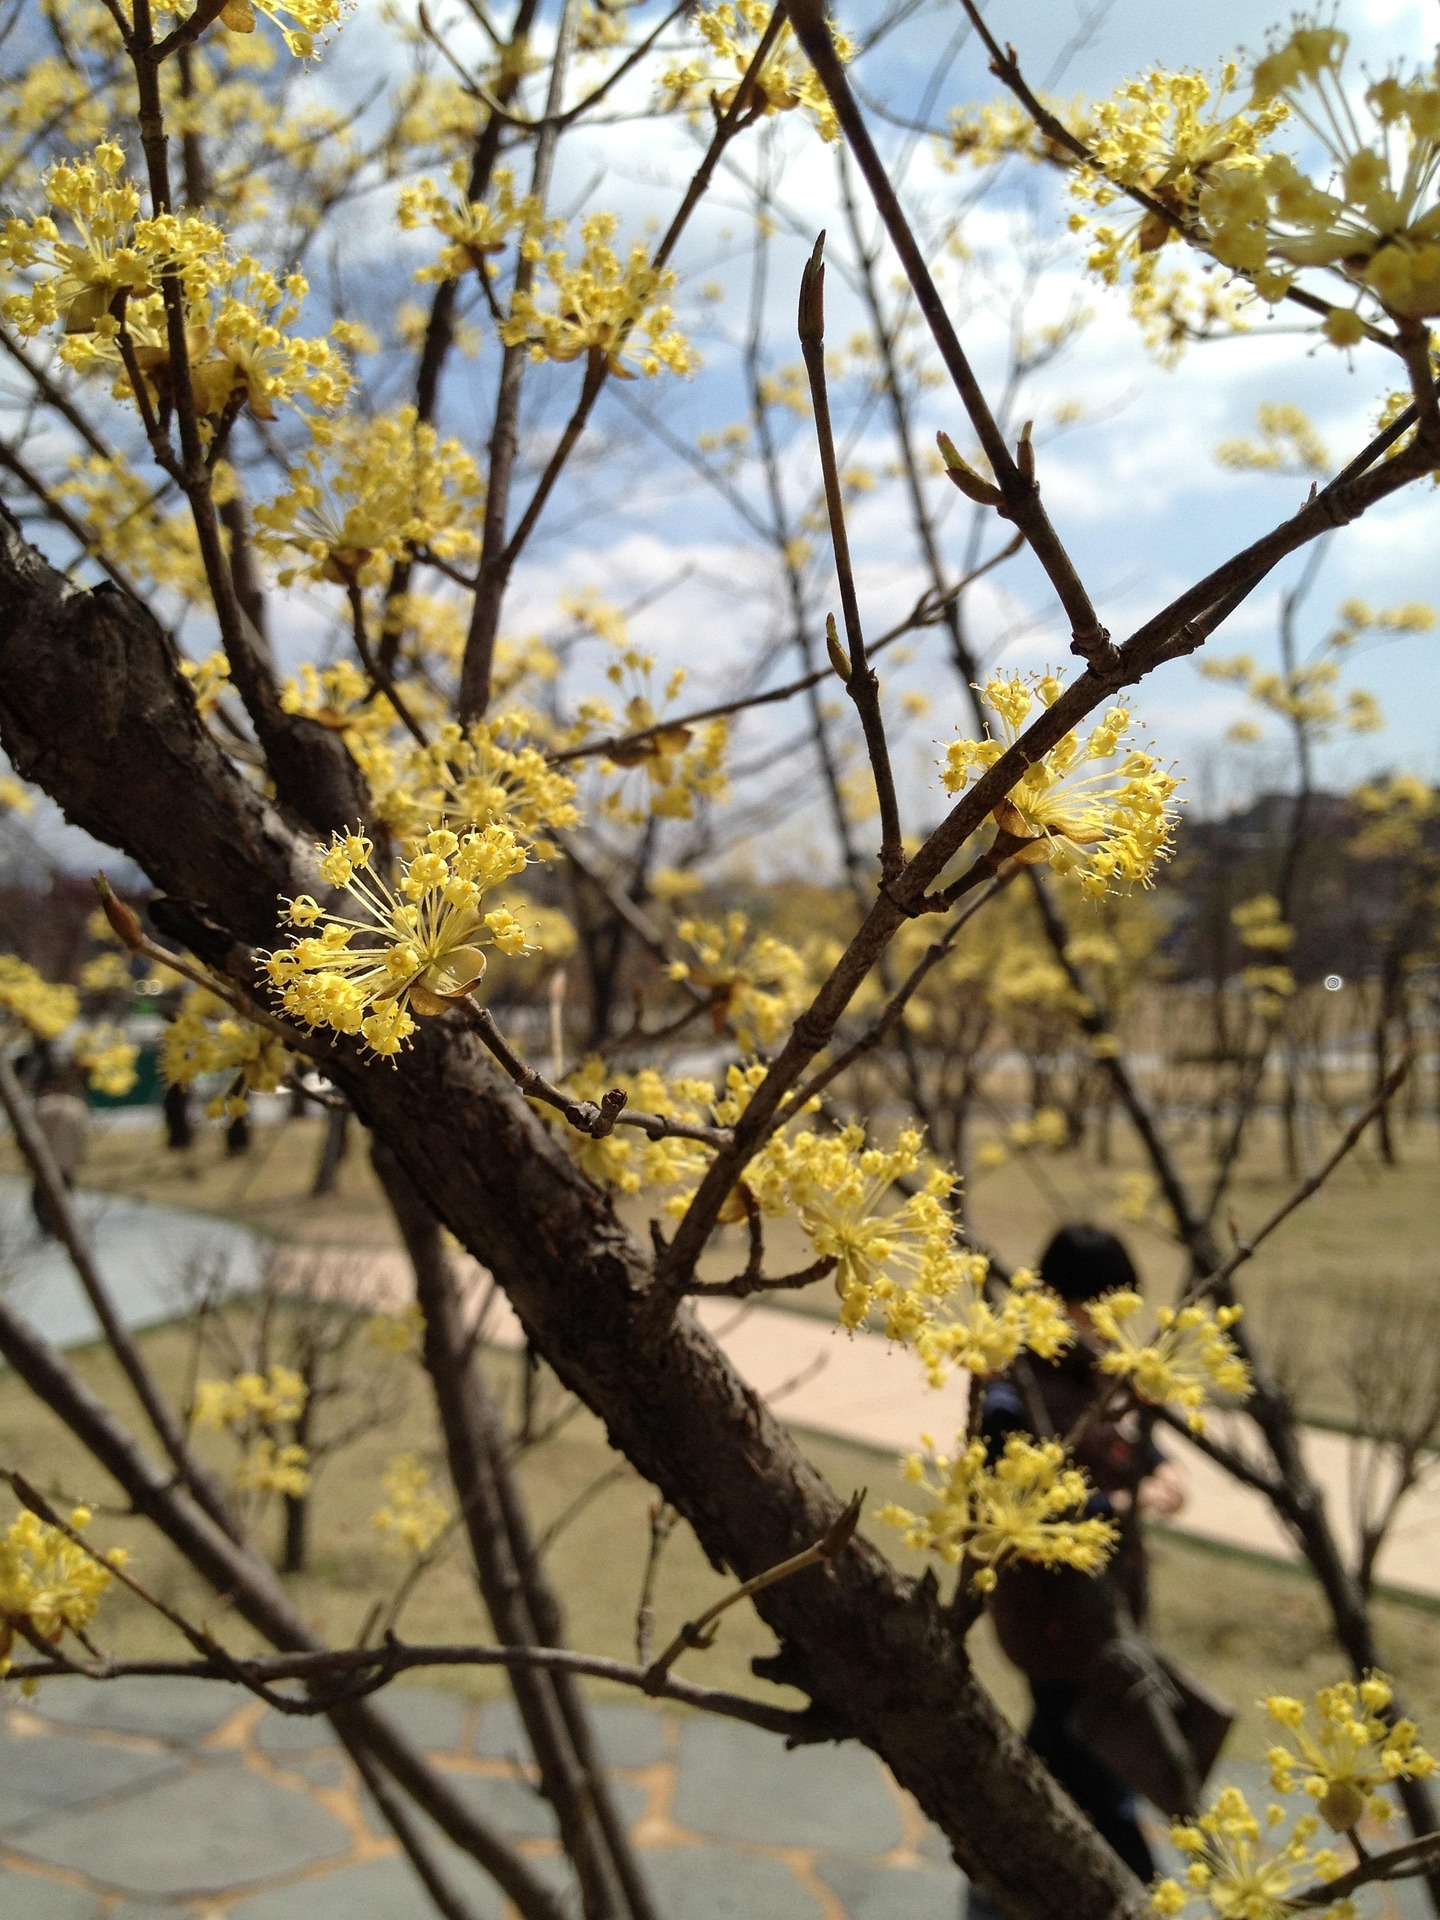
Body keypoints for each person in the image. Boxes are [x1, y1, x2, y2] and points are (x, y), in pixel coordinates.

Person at [963, 1225, 1185, 1917]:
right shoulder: (1013, 1384)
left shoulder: (1090, 1368)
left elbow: (1119, 1430)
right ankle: (1138, 1893)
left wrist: (1158, 1467)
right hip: (1054, 1617)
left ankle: (997, 1873)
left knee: (1057, 1750)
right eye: (1103, 1307)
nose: (1115, 1326)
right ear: (1063, 1300)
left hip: (1098, 1609)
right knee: (1094, 1760)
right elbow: (1015, 1486)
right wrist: (1118, 1502)